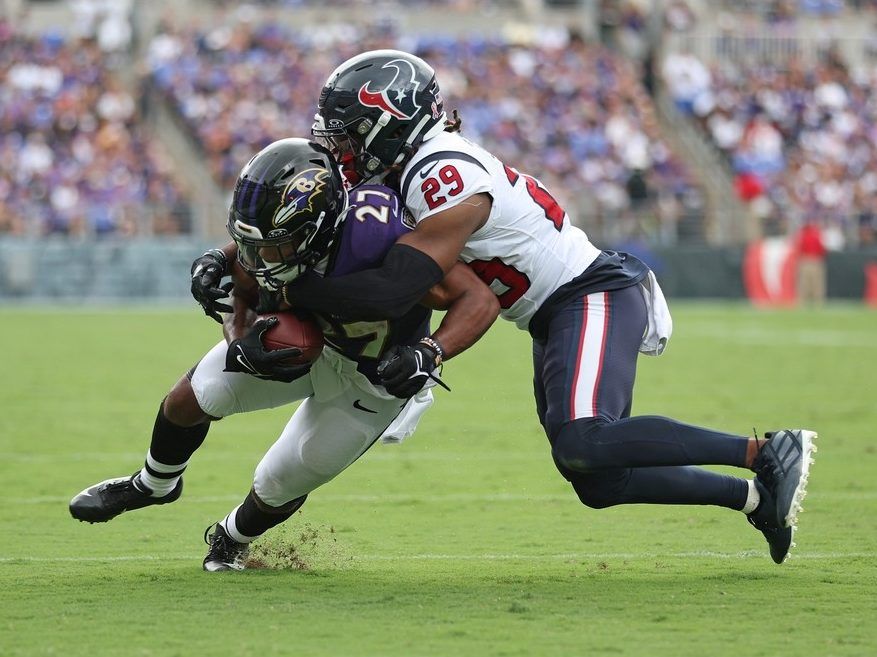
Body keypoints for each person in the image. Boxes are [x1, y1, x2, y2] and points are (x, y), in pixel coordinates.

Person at [280, 50, 817, 564]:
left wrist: (302, 291)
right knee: (598, 479)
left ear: (389, 123)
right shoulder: (408, 172)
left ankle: (765, 451)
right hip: (552, 315)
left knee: (587, 438)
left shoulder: (439, 174)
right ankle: (753, 500)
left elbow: (402, 284)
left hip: (589, 294)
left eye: (349, 133)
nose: (340, 146)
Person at [69, 138, 499, 571]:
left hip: (374, 377)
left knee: (284, 477)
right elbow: (244, 293)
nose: (259, 259)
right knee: (199, 393)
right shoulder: (273, 240)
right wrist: (242, 340)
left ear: (318, 228)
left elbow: (478, 299)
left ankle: (230, 539)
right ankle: (153, 484)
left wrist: (430, 351)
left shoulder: (379, 237)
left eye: (273, 246)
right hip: (304, 345)